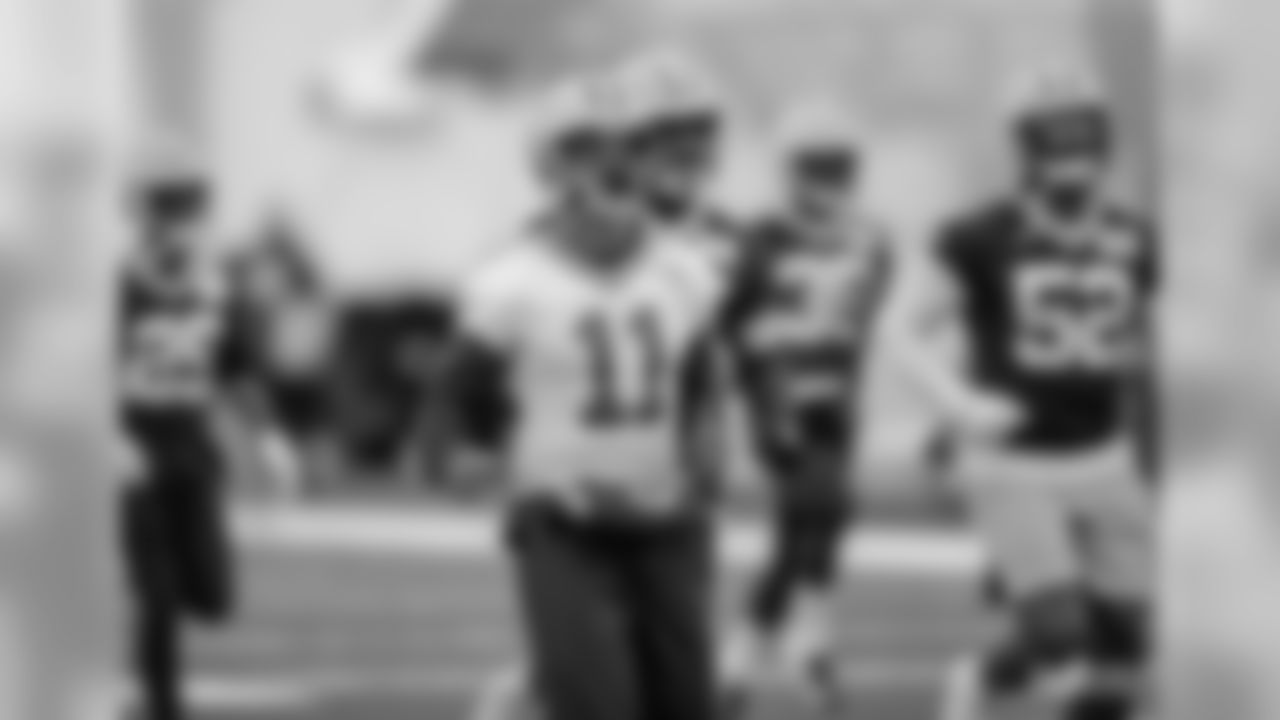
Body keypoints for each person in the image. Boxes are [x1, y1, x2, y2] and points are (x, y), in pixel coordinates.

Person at [457, 73, 727, 720]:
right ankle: (536, 692)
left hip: (666, 517)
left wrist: (707, 452)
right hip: (566, 517)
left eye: (629, 147)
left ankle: (530, 697)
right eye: (587, 148)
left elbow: (699, 378)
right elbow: (466, 391)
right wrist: (479, 451)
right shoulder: (512, 280)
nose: (613, 164)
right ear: (551, 166)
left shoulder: (685, 270)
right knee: (599, 705)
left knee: (687, 704)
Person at [903, 71, 1158, 720]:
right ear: (1026, 150)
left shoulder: (1137, 237)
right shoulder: (979, 235)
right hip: (1014, 463)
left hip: (1104, 457)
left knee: (1123, 651)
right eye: (1055, 142)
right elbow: (899, 330)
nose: (1072, 158)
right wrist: (956, 406)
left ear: (1105, 143)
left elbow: (1151, 347)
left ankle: (984, 675)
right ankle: (997, 671)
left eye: (1083, 139)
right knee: (1059, 633)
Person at [716, 102, 894, 717]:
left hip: (836, 395)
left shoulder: (873, 240)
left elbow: (862, 325)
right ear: (790, 170)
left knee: (809, 532)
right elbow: (728, 321)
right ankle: (808, 641)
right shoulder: (757, 239)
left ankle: (742, 659)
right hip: (779, 396)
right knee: (823, 503)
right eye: (817, 166)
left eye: (838, 166)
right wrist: (760, 364)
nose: (828, 180)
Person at [117, 171, 237, 720]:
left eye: (191, 214)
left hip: (192, 439)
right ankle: (161, 707)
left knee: (213, 595)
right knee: (158, 594)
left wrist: (269, 437)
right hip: (134, 441)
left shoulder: (214, 282)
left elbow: (237, 364)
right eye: (173, 213)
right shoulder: (118, 283)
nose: (184, 227)